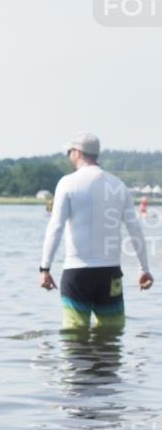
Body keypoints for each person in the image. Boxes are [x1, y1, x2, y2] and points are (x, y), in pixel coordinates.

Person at [39, 131, 153, 330]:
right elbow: (135, 229)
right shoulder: (118, 185)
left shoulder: (67, 183)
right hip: (110, 274)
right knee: (111, 333)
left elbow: (56, 227)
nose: (68, 155)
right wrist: (144, 268)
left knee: (75, 335)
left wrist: (45, 268)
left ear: (77, 152)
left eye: (69, 151)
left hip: (77, 272)